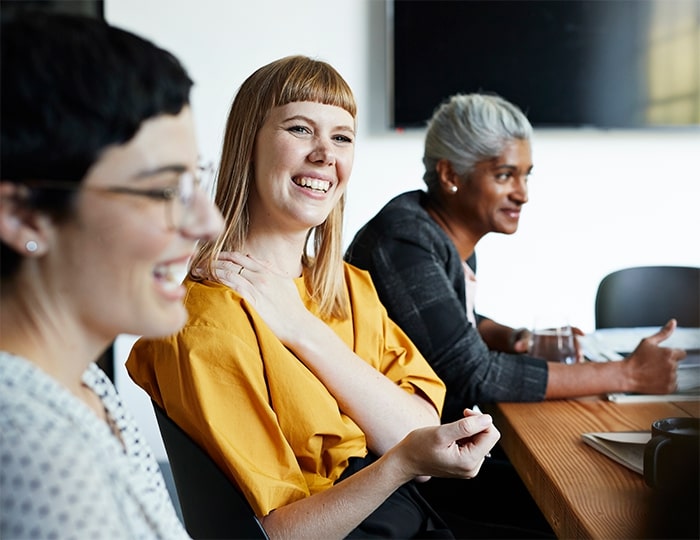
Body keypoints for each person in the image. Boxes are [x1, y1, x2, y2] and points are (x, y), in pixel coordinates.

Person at [126, 56, 500, 539]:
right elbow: (279, 533)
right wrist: (401, 462)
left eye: (341, 137)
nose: (326, 155)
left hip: (411, 516)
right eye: (301, 129)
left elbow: (419, 429)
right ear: (249, 147)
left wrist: (303, 331)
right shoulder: (206, 322)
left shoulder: (347, 286)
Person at [0, 12, 224, 539]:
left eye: (195, 181)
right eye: (163, 191)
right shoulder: (29, 446)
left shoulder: (84, 384)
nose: (208, 223)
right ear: (24, 215)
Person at [345, 92, 687, 423]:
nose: (522, 194)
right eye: (504, 175)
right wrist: (627, 374)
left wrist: (515, 338)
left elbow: (449, 325)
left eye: (526, 175)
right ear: (450, 176)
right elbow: (473, 374)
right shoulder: (405, 241)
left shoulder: (438, 233)